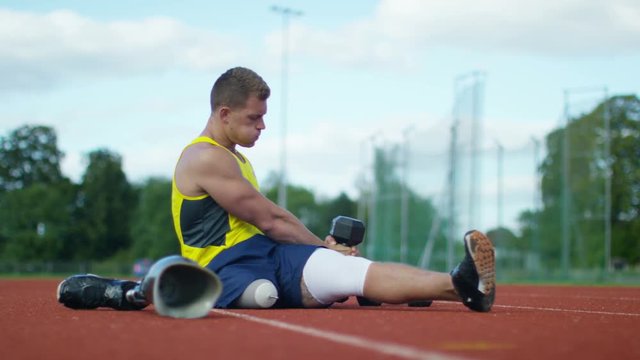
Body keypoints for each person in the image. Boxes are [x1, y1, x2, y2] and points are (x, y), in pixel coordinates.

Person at [57, 67, 495, 313]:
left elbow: (269, 228)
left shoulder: (236, 157)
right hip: (221, 269)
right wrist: (321, 246)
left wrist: (327, 255)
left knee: (346, 272)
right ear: (224, 113)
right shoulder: (203, 157)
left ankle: (460, 285)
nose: (262, 126)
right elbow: (270, 218)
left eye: (263, 117)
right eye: (254, 119)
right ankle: (127, 291)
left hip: (265, 255)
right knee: (265, 295)